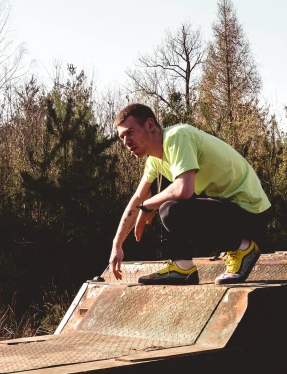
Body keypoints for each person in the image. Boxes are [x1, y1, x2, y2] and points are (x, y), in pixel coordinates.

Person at [109, 103, 270, 285]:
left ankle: (243, 249)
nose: (126, 141)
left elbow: (184, 190)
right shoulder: (155, 161)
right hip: (229, 211)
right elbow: (137, 199)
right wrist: (117, 244)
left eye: (130, 132)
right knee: (170, 202)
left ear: (150, 125)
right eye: (122, 137)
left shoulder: (177, 137)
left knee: (170, 208)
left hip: (251, 213)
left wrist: (148, 205)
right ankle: (182, 267)